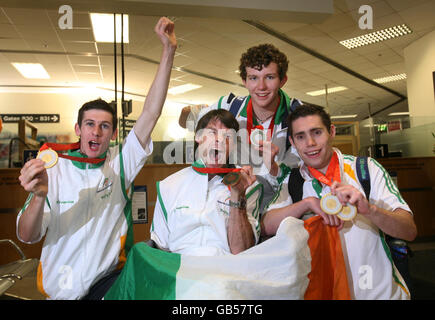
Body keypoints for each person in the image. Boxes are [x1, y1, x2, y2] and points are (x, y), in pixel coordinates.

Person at [16, 17, 177, 300]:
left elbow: (151, 113)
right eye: (89, 124)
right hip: (60, 290)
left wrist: (168, 51)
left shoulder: (120, 163)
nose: (97, 131)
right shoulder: (52, 168)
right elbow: (27, 236)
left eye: (105, 126)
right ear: (78, 130)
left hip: (108, 285)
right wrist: (40, 196)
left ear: (113, 133)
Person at [261, 104, 417, 300]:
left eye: (317, 132)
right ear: (292, 141)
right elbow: (266, 226)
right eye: (300, 136)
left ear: (331, 132)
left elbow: (409, 231)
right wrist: (306, 204)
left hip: (379, 293)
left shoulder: (365, 169)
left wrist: (369, 210)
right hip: (325, 292)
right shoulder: (293, 181)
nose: (310, 142)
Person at [179, 44, 302, 212]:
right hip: (234, 205)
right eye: (253, 78)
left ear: (283, 80)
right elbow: (187, 120)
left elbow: (305, 171)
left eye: (270, 77)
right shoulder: (229, 105)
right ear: (244, 81)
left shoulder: (299, 115)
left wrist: (274, 167)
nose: (261, 87)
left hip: (277, 210)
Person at [150, 109, 263, 256]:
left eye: (228, 136)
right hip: (180, 269)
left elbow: (241, 250)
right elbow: (160, 247)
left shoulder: (247, 185)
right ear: (198, 137)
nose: (220, 139)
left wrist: (238, 195)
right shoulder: (169, 185)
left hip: (224, 272)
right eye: (212, 132)